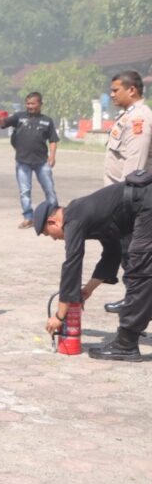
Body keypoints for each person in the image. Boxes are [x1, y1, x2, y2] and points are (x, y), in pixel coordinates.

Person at [35, 169, 152, 361]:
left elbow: (72, 264)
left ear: (53, 222)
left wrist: (60, 315)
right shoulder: (86, 212)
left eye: (49, 234)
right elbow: (112, 252)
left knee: (139, 270)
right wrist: (88, 289)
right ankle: (141, 311)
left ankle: (126, 345)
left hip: (146, 204)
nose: (54, 240)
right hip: (143, 204)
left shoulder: (73, 218)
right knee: (132, 259)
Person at [101, 71, 152, 314]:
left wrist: (121, 202)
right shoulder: (128, 116)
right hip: (121, 195)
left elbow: (135, 165)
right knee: (128, 253)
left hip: (130, 199)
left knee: (133, 254)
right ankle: (135, 300)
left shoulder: (139, 119)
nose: (111, 94)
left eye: (115, 90)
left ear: (132, 90)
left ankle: (136, 303)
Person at [0, 92, 59, 229]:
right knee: (24, 191)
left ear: (40, 104)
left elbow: (53, 140)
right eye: (28, 103)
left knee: (49, 189)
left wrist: (52, 156)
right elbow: (3, 123)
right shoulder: (19, 117)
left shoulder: (47, 120)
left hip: (42, 162)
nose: (30, 106)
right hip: (23, 162)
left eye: (33, 104)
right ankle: (28, 218)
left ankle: (55, 216)